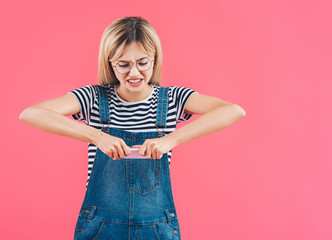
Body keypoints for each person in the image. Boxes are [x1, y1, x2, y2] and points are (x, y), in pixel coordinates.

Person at [19, 16, 246, 240]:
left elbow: (233, 110)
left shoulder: (173, 99)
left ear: (154, 59)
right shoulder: (93, 98)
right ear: (110, 62)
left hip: (157, 228)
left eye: (142, 62)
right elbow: (31, 113)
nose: (134, 73)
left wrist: (171, 140)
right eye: (123, 64)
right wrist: (98, 137)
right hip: (99, 228)